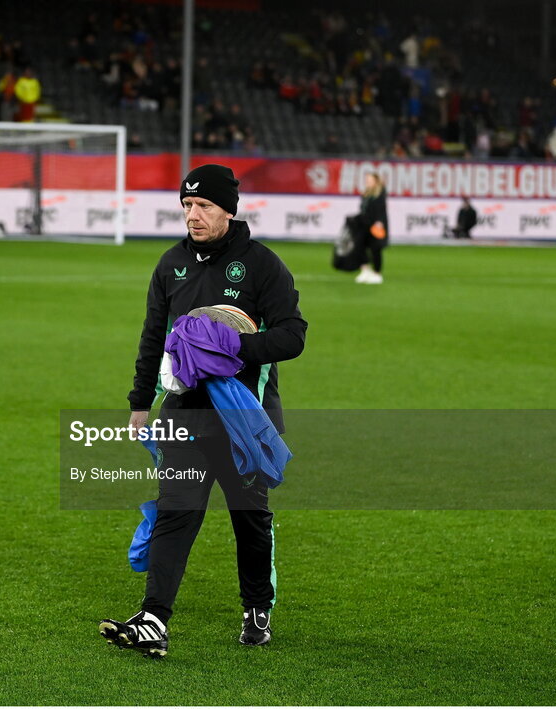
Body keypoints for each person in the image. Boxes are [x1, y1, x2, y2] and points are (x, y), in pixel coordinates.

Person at [99, 164, 308, 657]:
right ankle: (154, 617)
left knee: (249, 516)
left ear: (228, 210)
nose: (192, 215)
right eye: (187, 206)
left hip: (246, 416)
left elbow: (293, 335)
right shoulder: (171, 264)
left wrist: (231, 345)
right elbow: (153, 336)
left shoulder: (262, 265)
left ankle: (257, 608)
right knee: (177, 511)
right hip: (185, 413)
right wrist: (138, 403)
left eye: (204, 207)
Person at [353, 172, 388, 284]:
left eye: (370, 179)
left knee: (375, 249)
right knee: (360, 247)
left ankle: (377, 273)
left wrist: (380, 222)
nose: (367, 181)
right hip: (364, 225)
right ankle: (365, 270)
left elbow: (381, 210)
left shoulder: (380, 193)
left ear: (376, 181)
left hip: (375, 226)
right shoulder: (366, 193)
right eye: (367, 179)